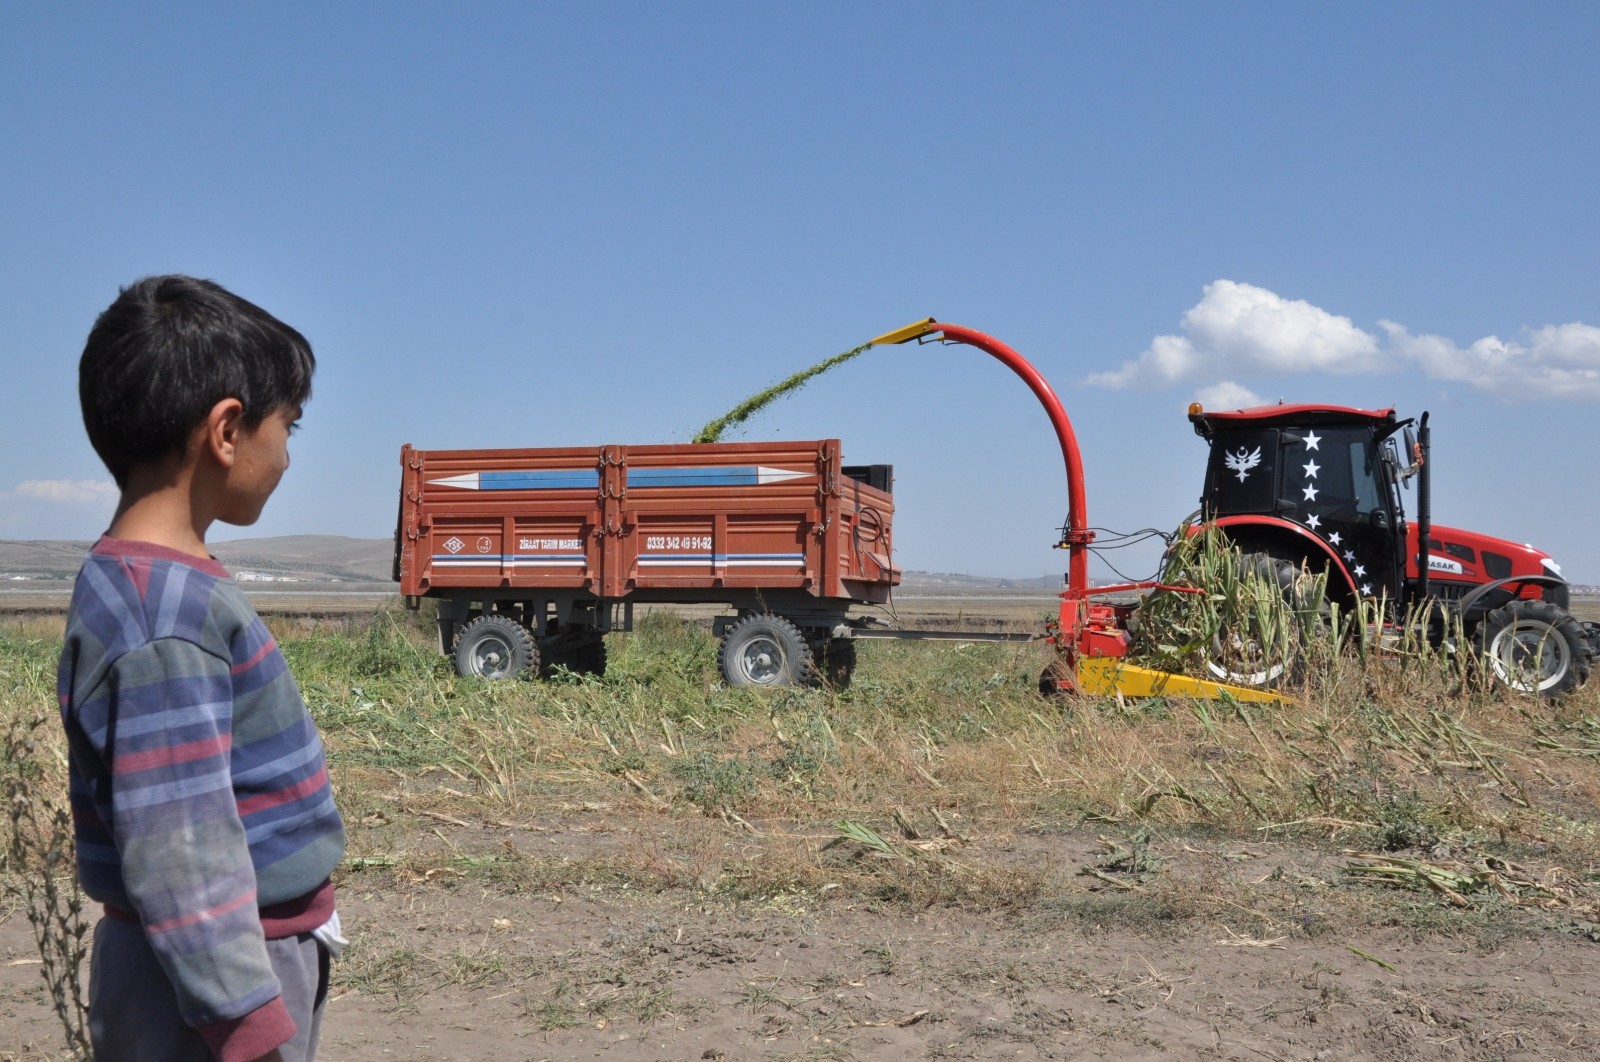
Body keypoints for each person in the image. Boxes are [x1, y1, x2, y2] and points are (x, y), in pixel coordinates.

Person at [58, 275, 347, 1062]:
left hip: (214, 967)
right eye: (287, 426)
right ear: (226, 430)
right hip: (206, 990)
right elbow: (180, 849)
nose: (287, 453)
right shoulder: (164, 619)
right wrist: (245, 1029)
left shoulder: (159, 586)